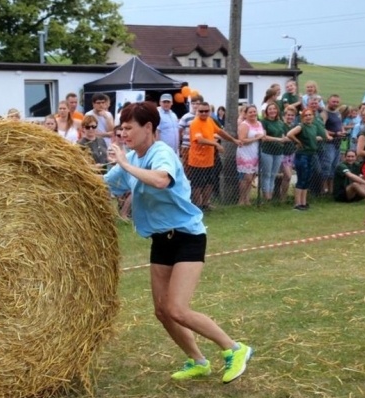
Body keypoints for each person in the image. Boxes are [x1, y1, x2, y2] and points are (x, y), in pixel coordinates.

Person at [104, 102, 253, 383]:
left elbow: (161, 180)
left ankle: (235, 349)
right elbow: (102, 183)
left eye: (129, 128)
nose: (124, 134)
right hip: (161, 240)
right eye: (121, 128)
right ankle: (198, 361)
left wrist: (122, 163)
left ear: (148, 127)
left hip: (187, 236)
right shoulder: (133, 159)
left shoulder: (161, 153)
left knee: (177, 309)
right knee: (162, 311)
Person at [187, 101, 241, 210]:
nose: (203, 113)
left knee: (210, 183)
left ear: (209, 111)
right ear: (197, 111)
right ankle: (198, 205)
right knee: (198, 185)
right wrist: (216, 144)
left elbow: (220, 132)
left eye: (206, 111)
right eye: (201, 111)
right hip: (197, 160)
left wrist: (233, 140)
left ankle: (206, 203)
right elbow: (200, 140)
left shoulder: (210, 121)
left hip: (209, 159)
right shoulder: (195, 123)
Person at [287, 109, 332, 211]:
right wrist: (298, 142)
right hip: (302, 155)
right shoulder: (301, 126)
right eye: (306, 115)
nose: (308, 117)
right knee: (302, 178)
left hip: (311, 154)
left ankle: (303, 202)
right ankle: (297, 203)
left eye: (310, 115)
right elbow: (289, 134)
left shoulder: (313, 126)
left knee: (307, 179)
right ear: (303, 117)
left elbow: (313, 136)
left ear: (313, 116)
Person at [259, 102, 290, 202]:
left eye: (274, 109)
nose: (272, 111)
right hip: (267, 151)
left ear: (277, 111)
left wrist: (284, 139)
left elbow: (283, 135)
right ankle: (265, 196)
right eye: (270, 109)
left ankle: (270, 195)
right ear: (267, 111)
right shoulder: (264, 122)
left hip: (278, 151)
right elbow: (264, 137)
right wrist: (279, 140)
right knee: (266, 174)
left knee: (273, 174)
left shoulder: (280, 123)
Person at [236, 105, 265, 205]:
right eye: (250, 112)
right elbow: (242, 140)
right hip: (245, 153)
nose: (253, 114)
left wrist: (261, 137)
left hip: (255, 153)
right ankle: (241, 199)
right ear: (246, 114)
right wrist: (256, 138)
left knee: (251, 178)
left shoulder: (259, 123)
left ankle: (247, 199)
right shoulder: (244, 125)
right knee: (246, 177)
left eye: (254, 111)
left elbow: (262, 135)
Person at [320, 94, 346, 195]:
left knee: (334, 166)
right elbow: (322, 128)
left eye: (337, 102)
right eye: (333, 102)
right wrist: (335, 133)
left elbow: (340, 124)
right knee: (327, 165)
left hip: (338, 143)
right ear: (328, 101)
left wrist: (342, 131)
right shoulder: (324, 113)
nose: (335, 104)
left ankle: (331, 190)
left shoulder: (338, 112)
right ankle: (323, 189)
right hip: (328, 143)